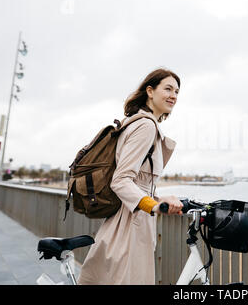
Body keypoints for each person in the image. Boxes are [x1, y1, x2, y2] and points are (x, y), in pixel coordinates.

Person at [78, 68, 183, 285]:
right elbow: (121, 180)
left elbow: (139, 183)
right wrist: (153, 206)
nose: (174, 95)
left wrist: (157, 200)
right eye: (168, 89)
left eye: (177, 91)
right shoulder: (145, 126)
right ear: (150, 91)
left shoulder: (135, 122)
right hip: (132, 221)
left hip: (125, 217)